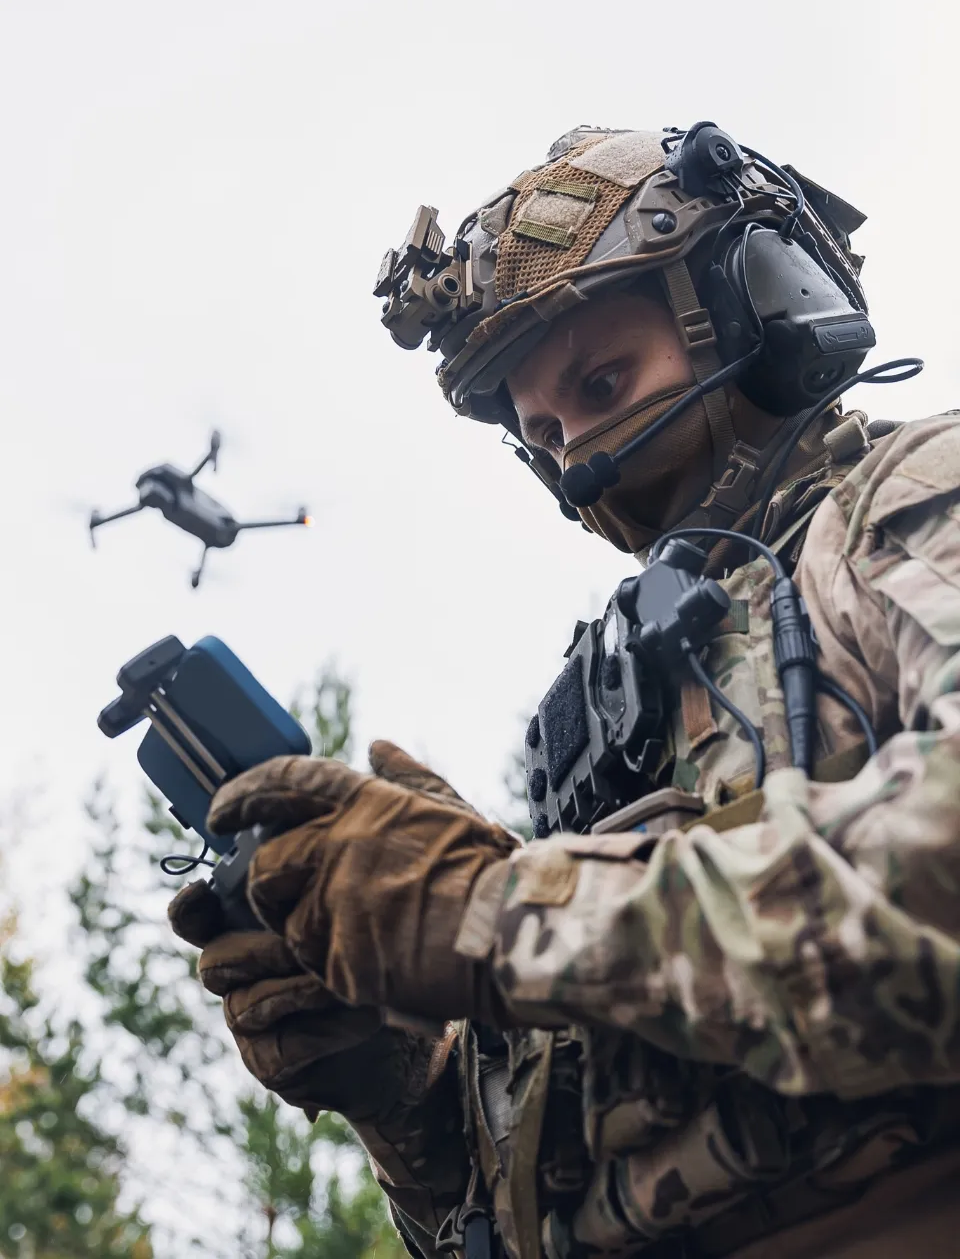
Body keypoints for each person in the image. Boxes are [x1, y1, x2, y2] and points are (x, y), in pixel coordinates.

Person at [170, 123, 960, 1259]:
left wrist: (499, 910)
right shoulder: (625, 704)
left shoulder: (908, 497)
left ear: (762, 306)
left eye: (603, 382)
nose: (579, 452)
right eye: (544, 431)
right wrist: (414, 1085)